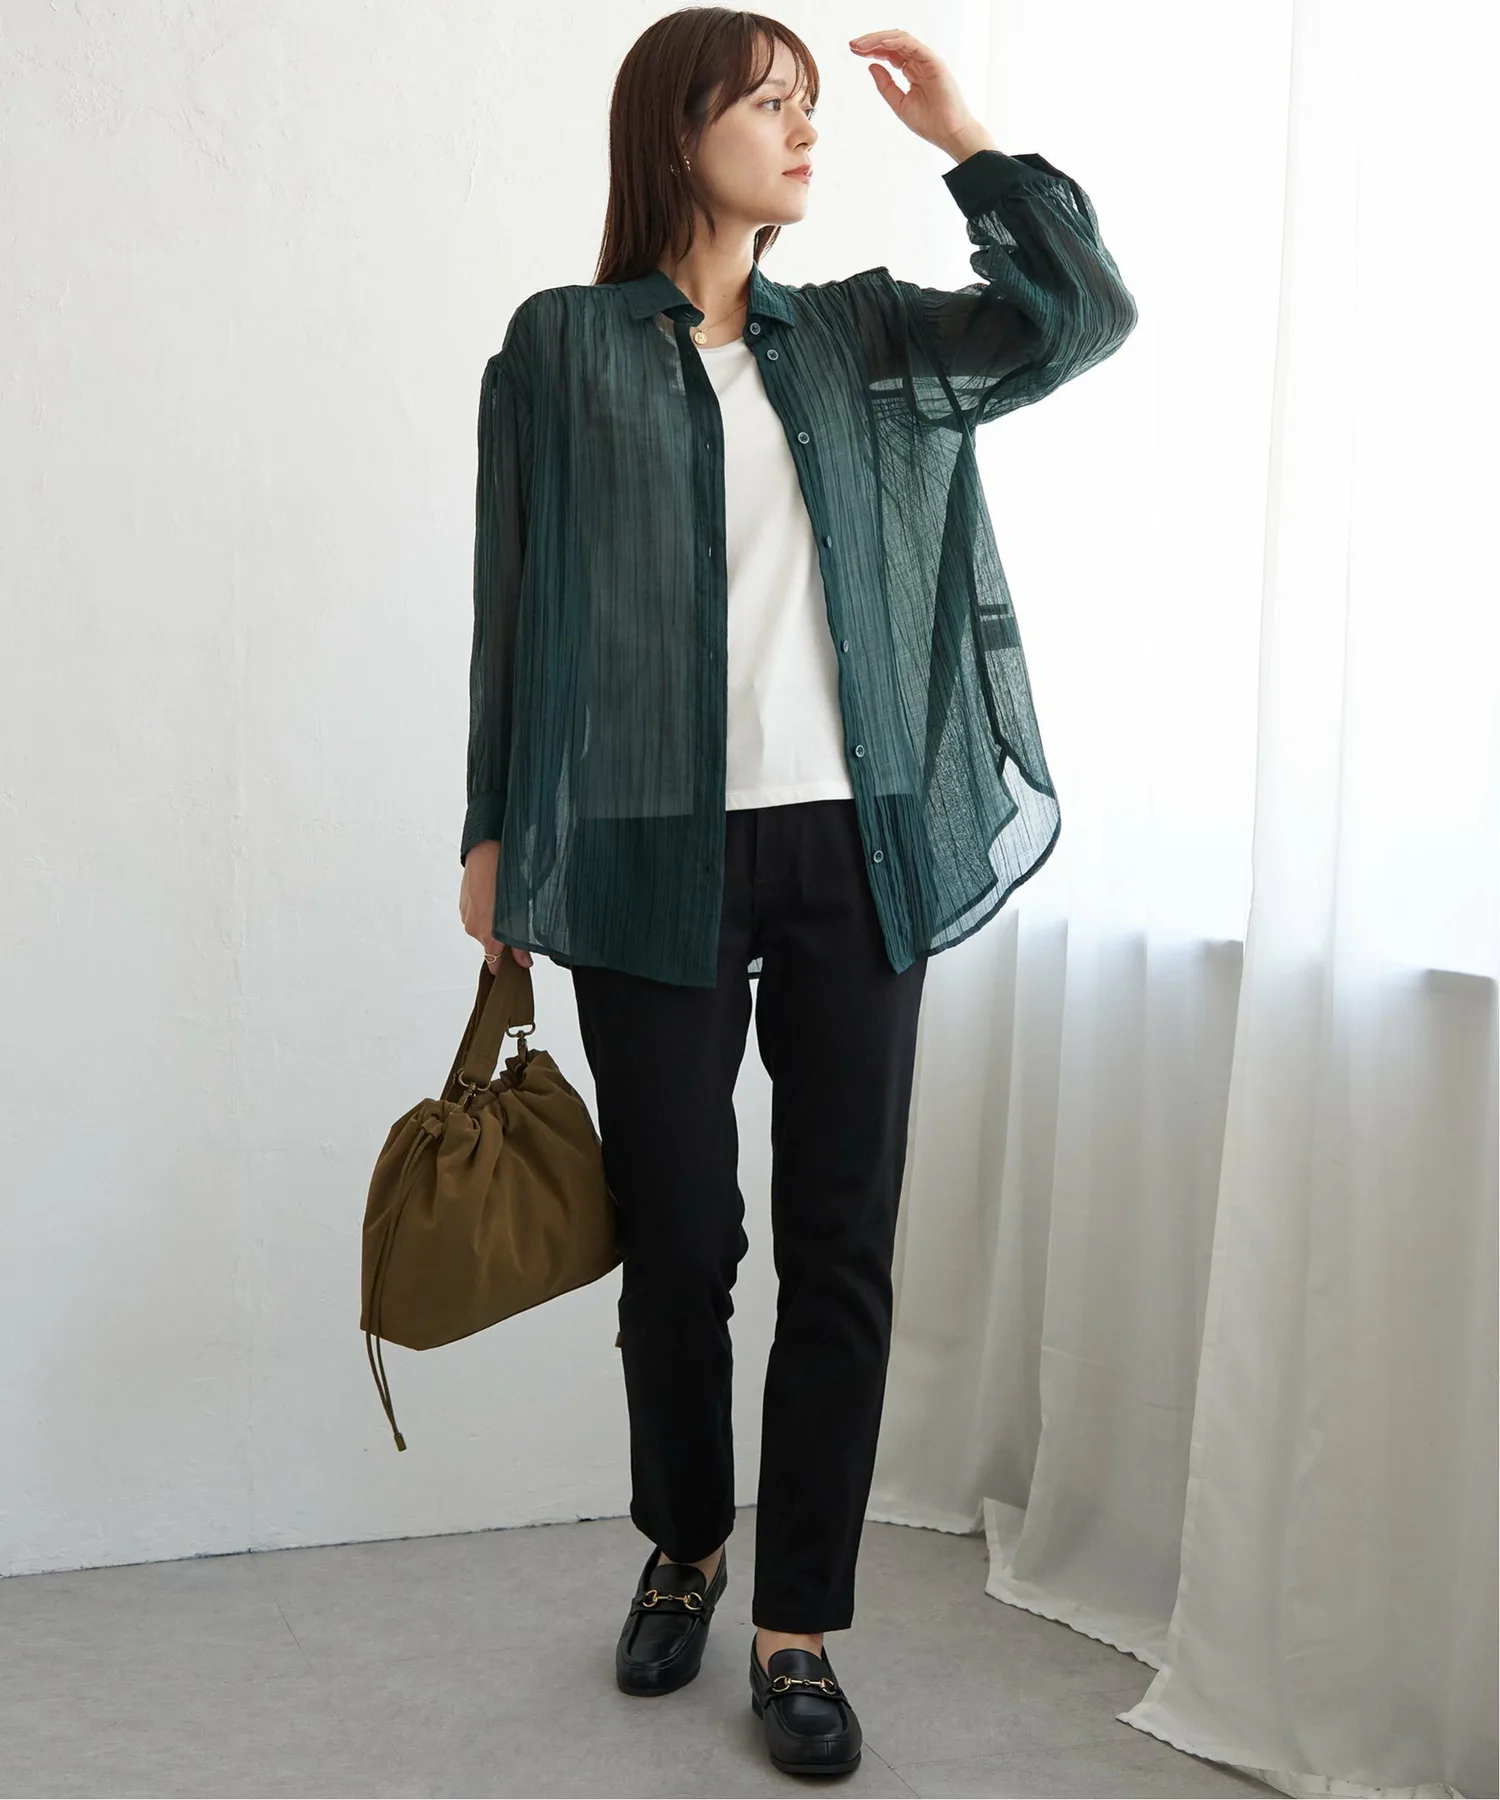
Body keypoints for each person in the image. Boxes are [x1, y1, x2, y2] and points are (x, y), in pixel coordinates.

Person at [458, 8, 1136, 1777]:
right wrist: (491, 828)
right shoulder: (562, 348)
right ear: (674, 130)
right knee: (680, 1240)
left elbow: (1081, 319)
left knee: (843, 1242)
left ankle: (798, 1626)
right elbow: (515, 600)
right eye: (769, 105)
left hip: (857, 843)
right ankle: (686, 1542)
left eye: (809, 106)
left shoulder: (868, 335)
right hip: (643, 845)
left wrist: (968, 141)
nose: (805, 131)